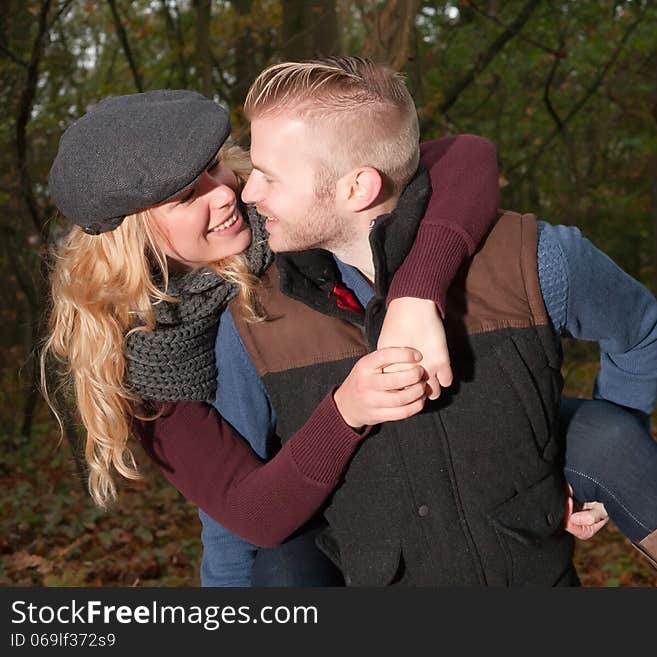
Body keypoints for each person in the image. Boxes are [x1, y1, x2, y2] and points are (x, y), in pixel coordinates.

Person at [202, 57, 657, 586]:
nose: (248, 193)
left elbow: (637, 324)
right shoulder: (254, 317)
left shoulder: (534, 259)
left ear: (358, 187)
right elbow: (233, 510)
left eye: (270, 176)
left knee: (608, 435)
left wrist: (601, 458)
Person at [40, 89, 506, 552]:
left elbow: (463, 155)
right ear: (131, 239)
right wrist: (345, 411)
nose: (225, 193)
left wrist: (416, 296)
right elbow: (249, 515)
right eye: (187, 197)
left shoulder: (290, 208)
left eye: (212, 167)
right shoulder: (146, 362)